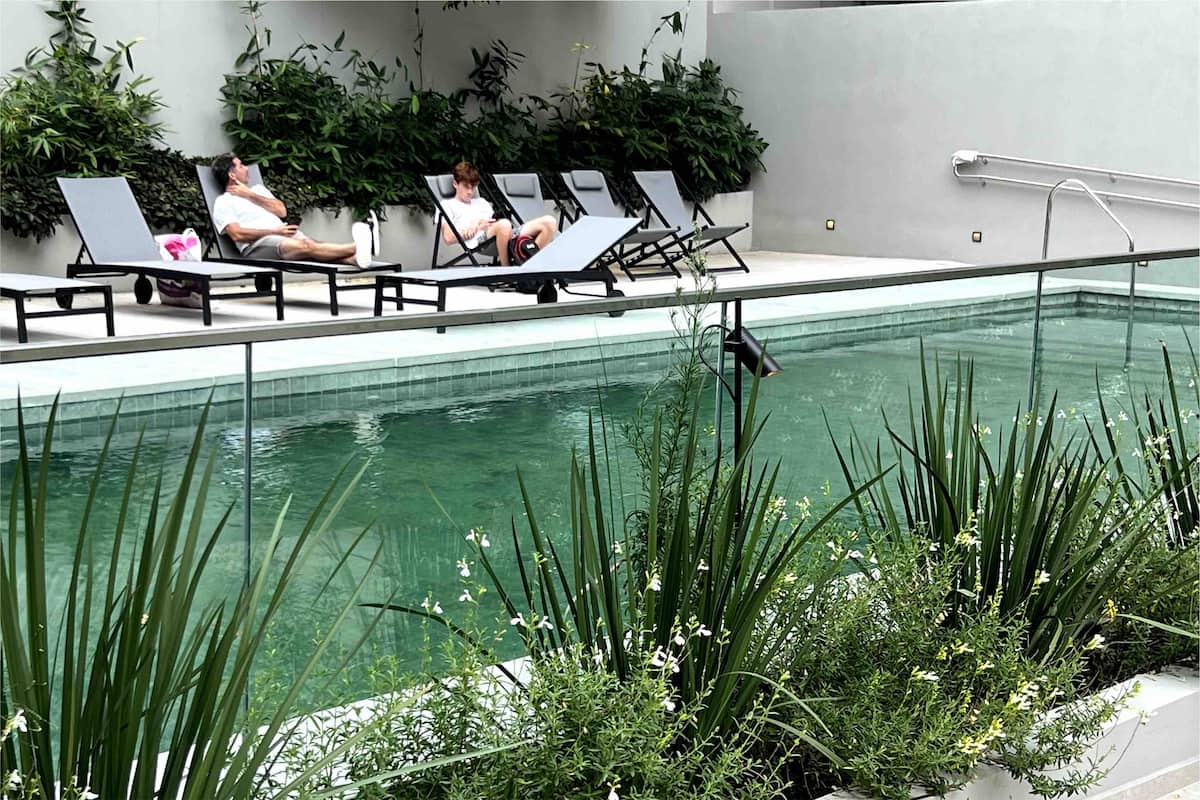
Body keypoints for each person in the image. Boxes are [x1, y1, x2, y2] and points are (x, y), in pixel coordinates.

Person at [210, 153, 374, 268]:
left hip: (283, 235)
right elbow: (237, 235)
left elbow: (281, 211)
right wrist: (274, 231)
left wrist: (250, 195)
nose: (247, 168)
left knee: (315, 247)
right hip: (257, 245)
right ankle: (358, 246)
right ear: (232, 175)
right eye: (241, 165)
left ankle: (354, 259)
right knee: (307, 246)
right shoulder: (223, 202)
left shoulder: (258, 190)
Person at [441, 161, 557, 266]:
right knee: (504, 224)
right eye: (466, 187)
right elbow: (448, 238)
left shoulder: (481, 202)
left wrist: (485, 223)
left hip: (505, 233)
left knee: (549, 221)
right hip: (482, 242)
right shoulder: (447, 205)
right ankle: (506, 270)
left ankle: (529, 267)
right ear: (455, 184)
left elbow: (494, 222)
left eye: (473, 187)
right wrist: (476, 226)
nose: (470, 192)